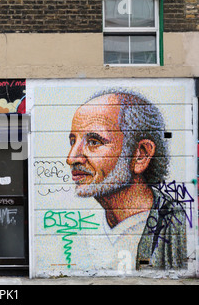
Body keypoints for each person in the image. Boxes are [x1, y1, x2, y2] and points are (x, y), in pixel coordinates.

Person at [66, 88, 187, 270]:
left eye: (94, 142)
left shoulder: (177, 227)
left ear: (140, 155)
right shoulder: (82, 228)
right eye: (72, 141)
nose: (72, 158)